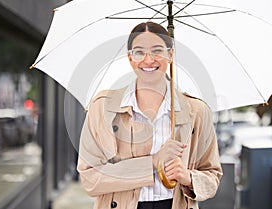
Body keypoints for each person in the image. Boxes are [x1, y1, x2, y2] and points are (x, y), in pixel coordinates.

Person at [77, 21, 222, 209]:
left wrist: (188, 177)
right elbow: (90, 178)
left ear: (170, 54)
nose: (148, 59)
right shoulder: (103, 107)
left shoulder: (197, 111)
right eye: (139, 52)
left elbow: (212, 175)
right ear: (130, 58)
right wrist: (153, 162)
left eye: (157, 50)